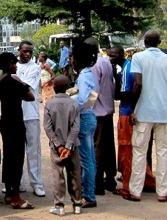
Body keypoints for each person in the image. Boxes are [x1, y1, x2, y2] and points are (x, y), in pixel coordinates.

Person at [124, 30, 167, 203]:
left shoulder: (138, 58)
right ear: (159, 42)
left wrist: (133, 108)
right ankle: (162, 192)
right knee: (163, 152)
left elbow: (138, 83)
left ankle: (135, 191)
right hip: (164, 111)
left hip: (144, 112)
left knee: (139, 152)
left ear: (144, 42)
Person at [109, 46, 155, 198]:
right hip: (132, 112)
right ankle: (146, 180)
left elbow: (123, 94)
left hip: (127, 113)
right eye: (110, 56)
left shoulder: (126, 70)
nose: (111, 58)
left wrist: (116, 79)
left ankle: (129, 185)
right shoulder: (128, 67)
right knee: (136, 149)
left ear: (122, 55)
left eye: (114, 55)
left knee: (127, 151)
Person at [0, 51, 36, 210]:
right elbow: (30, 96)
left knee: (8, 157)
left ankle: (9, 193)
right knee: (17, 158)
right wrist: (21, 83)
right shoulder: (14, 80)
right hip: (16, 123)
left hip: (5, 122)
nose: (16, 66)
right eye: (14, 63)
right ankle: (16, 197)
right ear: (9, 64)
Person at [44, 75, 83, 216]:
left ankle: (59, 206)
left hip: (56, 147)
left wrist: (59, 146)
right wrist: (68, 145)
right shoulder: (74, 104)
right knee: (75, 174)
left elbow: (47, 127)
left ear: (54, 87)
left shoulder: (49, 104)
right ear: (68, 88)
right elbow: (76, 127)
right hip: (73, 146)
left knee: (58, 175)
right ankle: (77, 204)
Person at [15, 40, 45, 197]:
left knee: (33, 151)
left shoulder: (35, 68)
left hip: (31, 115)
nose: (27, 54)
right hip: (16, 115)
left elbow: (25, 86)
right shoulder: (14, 66)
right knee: (17, 151)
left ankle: (37, 184)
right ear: (18, 50)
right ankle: (18, 183)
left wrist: (10, 78)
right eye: (24, 51)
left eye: (30, 52)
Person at [71, 40, 99, 208]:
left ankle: (89, 196)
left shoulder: (84, 76)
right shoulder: (87, 74)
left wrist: (69, 102)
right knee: (89, 159)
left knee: (86, 160)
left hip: (84, 118)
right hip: (89, 117)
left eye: (72, 56)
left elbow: (82, 100)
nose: (70, 60)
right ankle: (88, 193)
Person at [88, 38, 117, 195]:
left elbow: (93, 91)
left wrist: (82, 107)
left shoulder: (93, 65)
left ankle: (97, 183)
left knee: (97, 148)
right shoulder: (105, 61)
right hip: (107, 110)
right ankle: (110, 179)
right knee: (107, 147)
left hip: (97, 112)